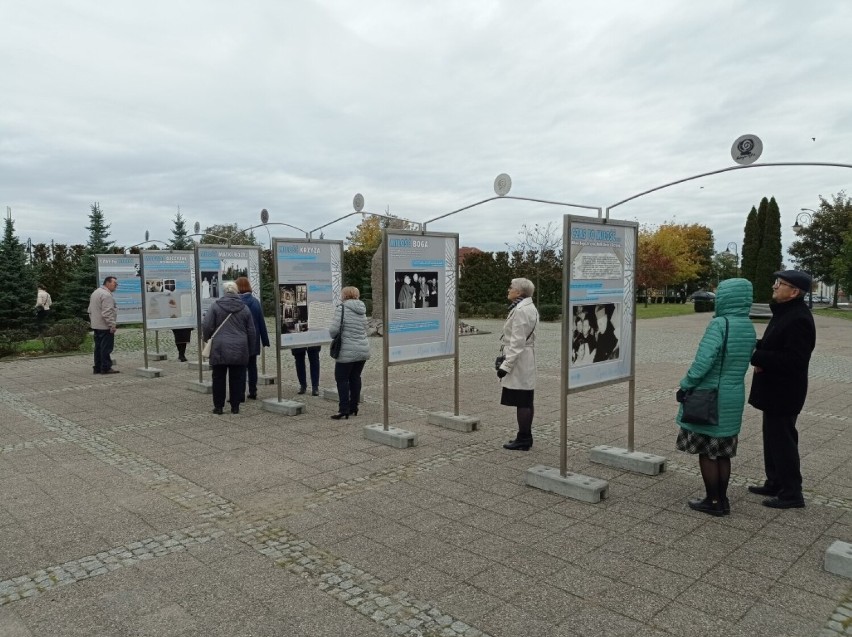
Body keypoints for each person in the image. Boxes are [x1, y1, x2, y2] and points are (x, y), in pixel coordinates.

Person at [675, 278, 756, 516]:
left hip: (711, 397)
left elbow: (703, 362)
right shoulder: (747, 325)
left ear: (726, 298)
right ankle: (723, 500)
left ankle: (712, 501)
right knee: (722, 452)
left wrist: (685, 384)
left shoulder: (720, 324)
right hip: (733, 395)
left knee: (708, 451)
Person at [747, 270, 816, 509]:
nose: (775, 287)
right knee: (772, 439)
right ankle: (775, 482)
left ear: (794, 291)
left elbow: (794, 360)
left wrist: (758, 357)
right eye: (775, 282)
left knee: (783, 441)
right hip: (774, 390)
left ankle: (791, 493)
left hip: (784, 392)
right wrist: (754, 347)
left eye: (780, 283)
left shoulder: (799, 319)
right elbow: (774, 345)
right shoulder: (785, 312)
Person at [202, 281, 256, 414]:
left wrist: (207, 339)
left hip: (219, 346)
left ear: (225, 291)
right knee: (237, 377)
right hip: (240, 347)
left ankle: (219, 407)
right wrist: (250, 348)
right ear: (236, 292)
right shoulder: (244, 308)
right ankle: (235, 406)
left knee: (218, 378)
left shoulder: (215, 306)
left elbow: (207, 325)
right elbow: (251, 331)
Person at [498, 278, 539, 450]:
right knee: (526, 399)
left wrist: (505, 366)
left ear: (519, 292)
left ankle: (523, 438)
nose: (509, 289)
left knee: (523, 400)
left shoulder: (521, 310)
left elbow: (517, 343)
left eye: (511, 287)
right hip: (525, 358)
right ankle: (525, 436)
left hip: (520, 360)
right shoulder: (526, 307)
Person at [328, 286, 370, 420]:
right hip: (362, 350)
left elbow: (333, 332)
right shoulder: (362, 309)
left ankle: (343, 409)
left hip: (346, 351)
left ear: (344, 295)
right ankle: (354, 407)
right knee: (355, 377)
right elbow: (366, 328)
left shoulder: (342, 309)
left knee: (342, 379)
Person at [236, 277, 270, 400]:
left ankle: (240, 392)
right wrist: (265, 340)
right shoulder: (255, 302)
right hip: (254, 339)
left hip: (240, 340)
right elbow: (261, 322)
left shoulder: (237, 303)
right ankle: (253, 391)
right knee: (252, 366)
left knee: (240, 368)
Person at [88, 276, 119, 374]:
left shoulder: (95, 292)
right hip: (105, 326)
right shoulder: (106, 295)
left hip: (96, 325)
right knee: (106, 348)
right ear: (108, 283)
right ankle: (105, 367)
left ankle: (97, 367)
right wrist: (112, 325)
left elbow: (89, 310)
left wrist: (93, 321)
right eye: (115, 283)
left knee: (98, 348)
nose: (116, 286)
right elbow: (107, 312)